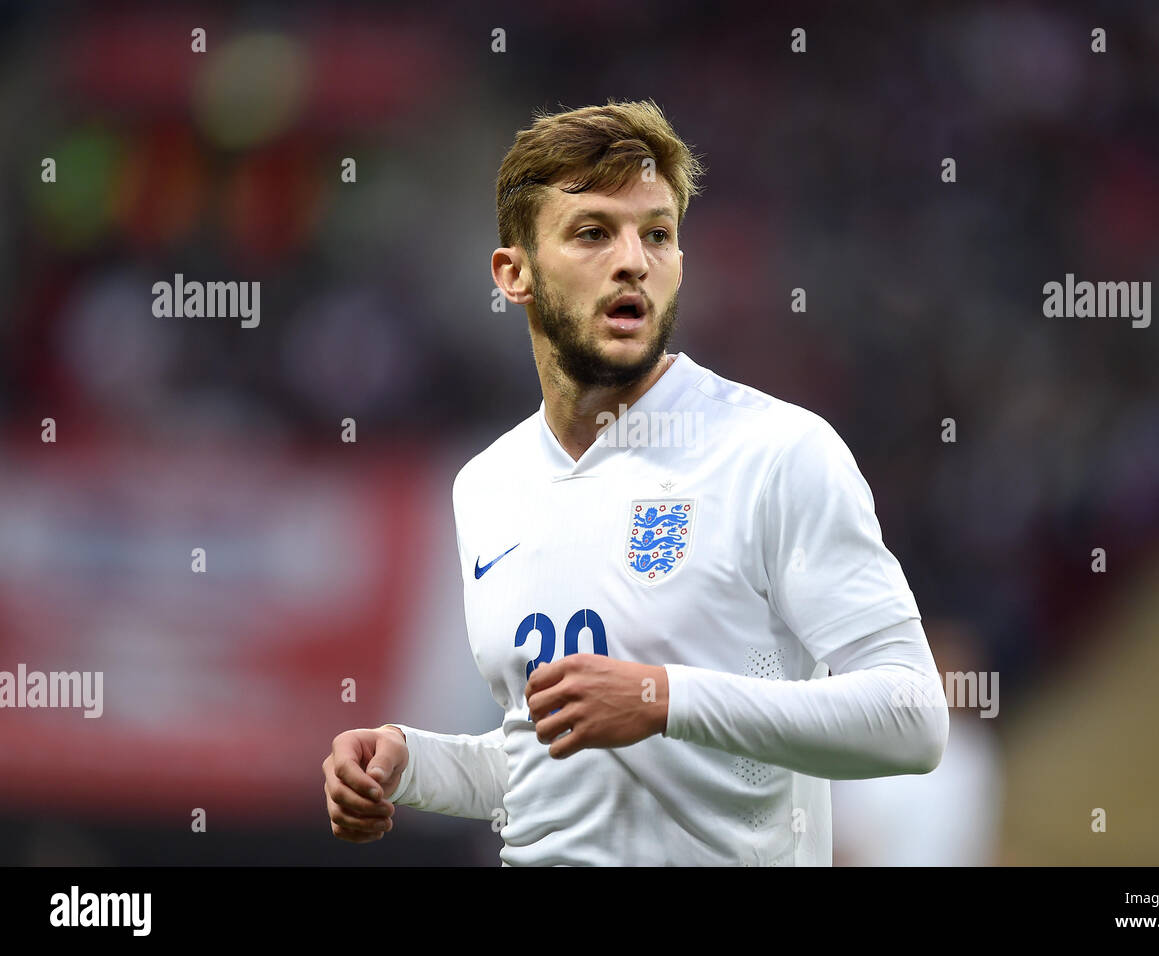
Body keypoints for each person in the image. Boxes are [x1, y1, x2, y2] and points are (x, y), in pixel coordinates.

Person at [322, 99, 948, 866]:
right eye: (593, 232)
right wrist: (409, 763)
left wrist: (662, 697)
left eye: (657, 234)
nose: (633, 260)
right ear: (513, 273)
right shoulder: (486, 486)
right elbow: (550, 766)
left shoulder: (777, 453)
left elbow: (913, 717)